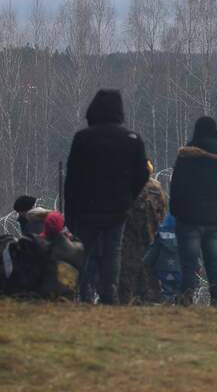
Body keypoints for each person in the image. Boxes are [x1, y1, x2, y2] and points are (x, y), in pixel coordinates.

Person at [64, 89, 149, 305]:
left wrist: (71, 210)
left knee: (83, 251)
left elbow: (72, 177)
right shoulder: (132, 139)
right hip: (117, 208)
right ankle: (109, 295)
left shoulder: (83, 138)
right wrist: (129, 196)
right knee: (113, 253)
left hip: (87, 207)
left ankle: (83, 294)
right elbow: (142, 174)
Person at [169, 116, 217, 305]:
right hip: (215, 220)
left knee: (189, 265)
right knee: (215, 264)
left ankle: (186, 298)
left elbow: (176, 188)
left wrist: (177, 213)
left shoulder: (186, 156)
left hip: (189, 219)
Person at [118, 161, 167, 304]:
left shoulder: (127, 186)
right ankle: (151, 302)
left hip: (128, 240)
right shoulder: (157, 187)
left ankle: (127, 302)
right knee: (150, 277)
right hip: (151, 238)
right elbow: (163, 210)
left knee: (127, 278)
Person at [146, 213, 182, 303]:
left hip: (164, 270)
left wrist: (146, 262)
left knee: (166, 291)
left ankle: (167, 305)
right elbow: (192, 253)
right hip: (180, 270)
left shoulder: (160, 236)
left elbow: (153, 252)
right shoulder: (186, 237)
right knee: (180, 291)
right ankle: (180, 307)